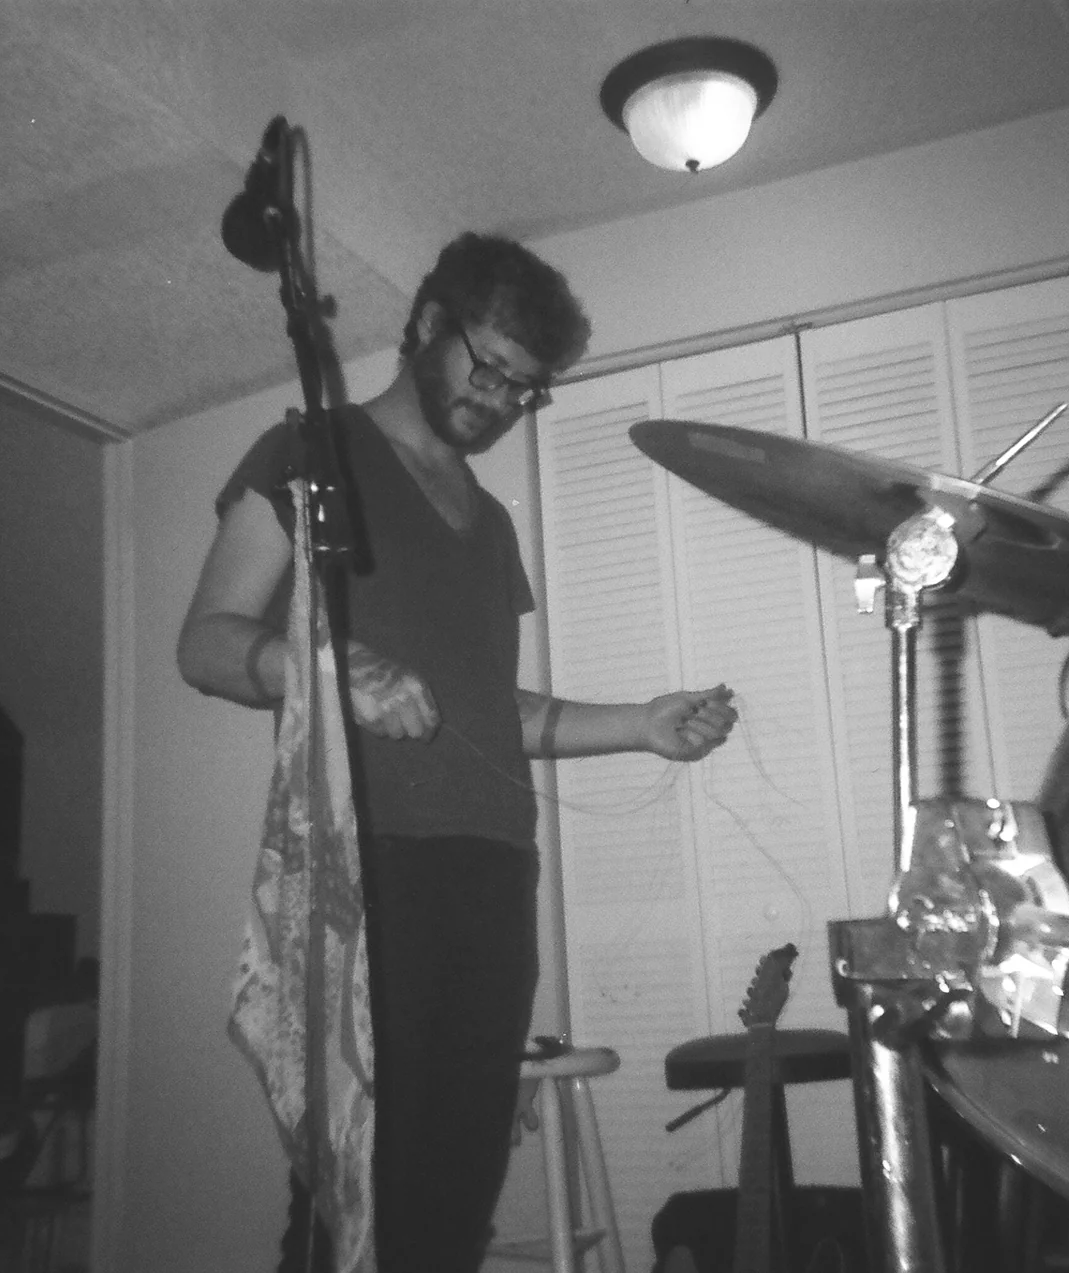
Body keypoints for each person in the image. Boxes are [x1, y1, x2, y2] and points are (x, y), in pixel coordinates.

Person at [178, 232, 739, 1272]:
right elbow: (205, 642)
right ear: (427, 324)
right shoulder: (308, 453)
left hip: (493, 871)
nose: (501, 402)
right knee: (353, 1190)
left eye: (527, 391)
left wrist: (640, 724)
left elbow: (487, 714)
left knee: (454, 1194)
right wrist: (334, 666)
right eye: (489, 368)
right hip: (367, 864)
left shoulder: (490, 526)